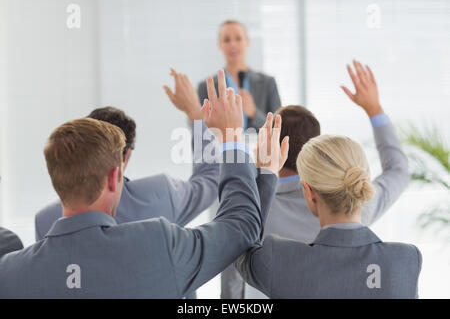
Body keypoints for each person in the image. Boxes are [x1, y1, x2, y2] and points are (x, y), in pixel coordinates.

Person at [0, 69, 288, 298]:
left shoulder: (9, 273)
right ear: (116, 175)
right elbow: (239, 225)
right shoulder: (157, 239)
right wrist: (230, 137)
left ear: (56, 179)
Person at [223, 60, 412, 298]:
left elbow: (234, 254)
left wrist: (259, 170)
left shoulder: (253, 212)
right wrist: (375, 110)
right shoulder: (357, 201)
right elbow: (399, 170)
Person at [36, 69, 217, 242]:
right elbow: (210, 179)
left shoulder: (45, 221)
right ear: (127, 155)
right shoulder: (161, 194)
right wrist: (195, 115)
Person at [198, 20, 281, 130]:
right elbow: (199, 133)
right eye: (227, 40)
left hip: (259, 146)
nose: (232, 44)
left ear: (247, 42)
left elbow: (279, 129)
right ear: (220, 45)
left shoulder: (268, 83)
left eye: (238, 38)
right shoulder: (206, 86)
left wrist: (254, 113)